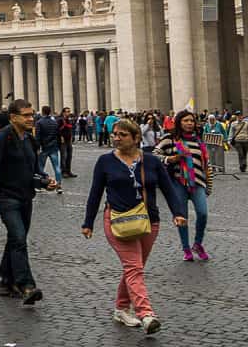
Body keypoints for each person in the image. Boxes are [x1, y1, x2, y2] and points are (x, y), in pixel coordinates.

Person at [81, 118, 188, 336]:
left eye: (122, 135)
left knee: (134, 268)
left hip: (149, 220)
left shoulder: (151, 161)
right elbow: (95, 192)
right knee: (134, 267)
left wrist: (178, 213)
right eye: (115, 134)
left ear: (136, 138)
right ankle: (146, 314)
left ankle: (121, 308)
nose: (116, 138)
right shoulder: (105, 161)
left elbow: (168, 189)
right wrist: (88, 222)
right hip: (118, 220)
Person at [0, 99, 58, 306]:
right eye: (26, 115)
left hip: (26, 196)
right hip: (6, 197)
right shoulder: (1, 139)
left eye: (32, 114)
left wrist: (44, 181)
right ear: (13, 117)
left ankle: (6, 281)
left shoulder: (30, 140)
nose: (31, 118)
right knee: (19, 238)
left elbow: (32, 170)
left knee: (16, 239)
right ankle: (26, 286)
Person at [158, 109, 213, 262]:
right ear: (179, 122)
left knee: (203, 213)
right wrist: (170, 159)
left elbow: (206, 164)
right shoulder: (170, 139)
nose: (189, 123)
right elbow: (155, 154)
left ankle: (198, 243)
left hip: (198, 182)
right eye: (186, 121)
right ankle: (186, 248)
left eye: (191, 121)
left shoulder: (198, 140)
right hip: (178, 183)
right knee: (182, 217)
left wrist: (209, 184)